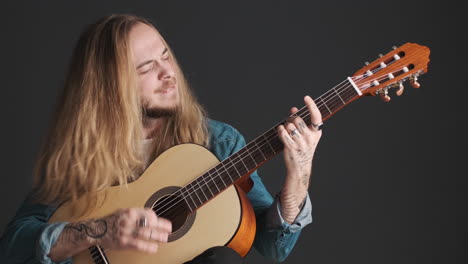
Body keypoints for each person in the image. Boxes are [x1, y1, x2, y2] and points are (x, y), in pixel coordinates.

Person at [0, 14, 323, 264]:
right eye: (146, 68)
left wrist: (300, 174)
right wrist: (99, 231)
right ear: (110, 88)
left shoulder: (218, 142)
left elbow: (270, 246)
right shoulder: (81, 158)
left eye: (166, 56)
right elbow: (14, 246)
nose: (167, 72)